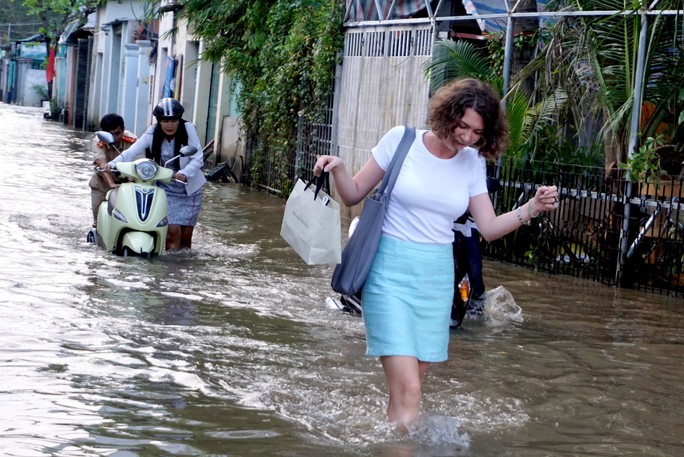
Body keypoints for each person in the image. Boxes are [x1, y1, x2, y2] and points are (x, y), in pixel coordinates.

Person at [312, 78, 558, 428]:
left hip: (437, 278)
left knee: (409, 387)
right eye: (463, 126)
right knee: (410, 387)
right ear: (447, 114)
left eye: (477, 132)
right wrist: (338, 168)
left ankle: (394, 441)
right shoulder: (401, 140)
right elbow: (352, 195)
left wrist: (531, 208)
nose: (468, 137)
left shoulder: (472, 163)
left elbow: (487, 228)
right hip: (388, 273)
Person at [105, 98, 206, 251]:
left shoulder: (188, 128)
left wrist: (184, 173)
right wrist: (112, 164)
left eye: (173, 120)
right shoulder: (152, 132)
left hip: (188, 188)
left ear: (179, 120)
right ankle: (168, 269)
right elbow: (131, 152)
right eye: (165, 121)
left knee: (186, 237)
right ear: (159, 121)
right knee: (172, 231)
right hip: (165, 187)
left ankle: (183, 270)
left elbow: (197, 158)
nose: (170, 124)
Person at [450, 175, 501, 328]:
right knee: (452, 269)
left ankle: (476, 301)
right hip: (448, 229)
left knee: (474, 269)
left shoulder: (474, 164)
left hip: (469, 228)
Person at [89, 113, 137, 228]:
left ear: (123, 130)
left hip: (126, 182)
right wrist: (111, 184)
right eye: (110, 135)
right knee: (98, 222)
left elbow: (137, 166)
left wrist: (129, 183)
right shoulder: (98, 140)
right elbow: (102, 164)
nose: (115, 138)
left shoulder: (133, 141)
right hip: (102, 182)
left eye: (117, 133)